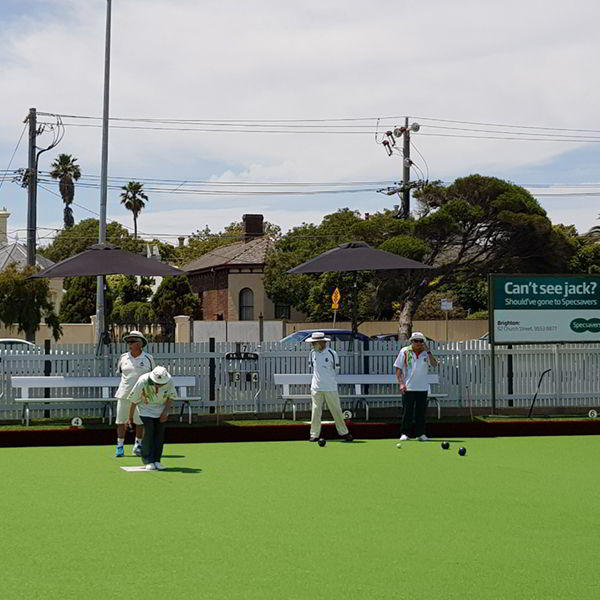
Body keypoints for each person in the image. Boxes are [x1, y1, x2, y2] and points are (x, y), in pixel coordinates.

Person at [114, 331, 155, 458]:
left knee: (140, 421)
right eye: (129, 341)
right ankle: (120, 446)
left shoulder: (148, 358)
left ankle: (138, 445)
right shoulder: (123, 357)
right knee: (121, 421)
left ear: (140, 343)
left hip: (142, 395)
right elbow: (120, 372)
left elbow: (153, 376)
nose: (129, 344)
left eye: (133, 341)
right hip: (124, 393)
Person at [127, 365, 177, 471]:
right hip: (145, 409)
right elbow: (133, 400)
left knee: (159, 435)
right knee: (149, 432)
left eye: (161, 383)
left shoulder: (169, 381)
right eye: (157, 383)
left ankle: (157, 460)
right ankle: (148, 460)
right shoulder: (143, 380)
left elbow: (170, 397)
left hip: (161, 409)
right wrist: (130, 418)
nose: (159, 385)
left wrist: (165, 413)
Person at [307, 331, 353, 442]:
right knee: (316, 411)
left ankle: (344, 432)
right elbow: (312, 368)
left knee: (336, 410)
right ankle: (314, 434)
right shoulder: (312, 353)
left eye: (314, 343)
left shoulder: (332, 353)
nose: (312, 345)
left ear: (321, 342)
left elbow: (336, 371)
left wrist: (327, 380)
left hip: (330, 387)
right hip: (316, 388)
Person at [394, 331, 439, 441]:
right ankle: (405, 433)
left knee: (421, 412)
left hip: (422, 387)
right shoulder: (404, 351)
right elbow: (398, 369)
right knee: (407, 412)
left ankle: (421, 434)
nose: (418, 343)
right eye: (415, 341)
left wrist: (428, 352)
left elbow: (434, 364)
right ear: (411, 341)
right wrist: (401, 383)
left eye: (420, 341)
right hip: (408, 387)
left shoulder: (426, 353)